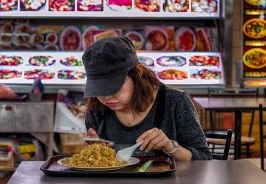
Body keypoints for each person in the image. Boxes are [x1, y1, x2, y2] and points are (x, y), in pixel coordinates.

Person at [82, 36, 212, 160]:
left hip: (169, 183)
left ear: (138, 71)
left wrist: (171, 147)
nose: (107, 97)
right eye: (99, 89)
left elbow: (204, 158)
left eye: (114, 87)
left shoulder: (175, 101)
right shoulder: (96, 108)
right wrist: (94, 152)